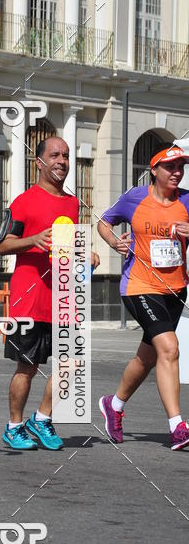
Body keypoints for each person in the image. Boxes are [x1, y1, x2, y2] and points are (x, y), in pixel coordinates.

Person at [0, 136, 98, 450]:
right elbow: (2, 244)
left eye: (66, 156)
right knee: (27, 367)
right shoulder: (23, 201)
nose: (62, 161)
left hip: (64, 296)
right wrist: (33, 239)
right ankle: (14, 427)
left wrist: (86, 253)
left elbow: (68, 246)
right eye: (54, 155)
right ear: (38, 163)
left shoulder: (72, 203)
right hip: (29, 298)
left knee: (71, 362)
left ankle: (41, 419)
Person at [98, 145, 189, 450]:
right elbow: (104, 221)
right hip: (139, 286)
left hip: (175, 289)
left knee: (148, 357)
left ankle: (115, 404)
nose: (177, 172)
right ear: (155, 170)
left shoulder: (188, 200)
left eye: (181, 167)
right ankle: (177, 426)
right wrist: (114, 243)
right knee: (170, 347)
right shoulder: (134, 198)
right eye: (170, 167)